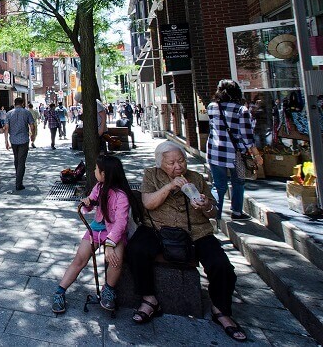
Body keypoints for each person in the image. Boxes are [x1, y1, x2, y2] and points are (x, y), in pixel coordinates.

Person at [127, 142, 246, 342]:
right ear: (160, 164)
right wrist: (169, 186)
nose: (178, 166)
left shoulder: (197, 178)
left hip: (196, 232)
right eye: (171, 162)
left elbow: (213, 213)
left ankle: (221, 309)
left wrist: (205, 205)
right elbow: (148, 203)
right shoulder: (152, 176)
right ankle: (149, 298)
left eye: (181, 161)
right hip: (158, 228)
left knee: (221, 265)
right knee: (136, 250)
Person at [51, 155, 141, 314]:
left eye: (96, 169)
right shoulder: (99, 187)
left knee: (115, 260)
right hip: (96, 228)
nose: (94, 171)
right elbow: (91, 203)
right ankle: (60, 291)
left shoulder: (121, 195)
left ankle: (109, 289)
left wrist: (111, 243)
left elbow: (121, 222)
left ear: (105, 173)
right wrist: (87, 203)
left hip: (114, 232)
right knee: (80, 258)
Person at [207, 80, 263, 220]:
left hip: (215, 152)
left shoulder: (212, 107)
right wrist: (256, 155)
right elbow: (247, 136)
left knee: (218, 185)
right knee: (238, 182)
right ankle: (236, 212)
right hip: (236, 153)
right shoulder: (241, 110)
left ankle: (214, 217)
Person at [4, 97, 35, 191]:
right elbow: (32, 126)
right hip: (24, 140)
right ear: (22, 103)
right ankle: (18, 182)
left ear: (14, 103)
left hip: (13, 140)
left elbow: (6, 127)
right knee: (21, 161)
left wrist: (6, 141)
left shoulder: (9, 113)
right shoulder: (27, 112)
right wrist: (32, 135)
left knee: (16, 159)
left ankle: (18, 176)